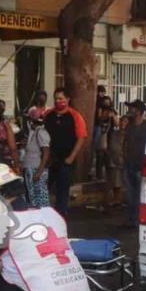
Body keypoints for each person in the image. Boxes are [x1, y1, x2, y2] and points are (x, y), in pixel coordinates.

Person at [43, 87, 87, 218]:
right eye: (56, 99)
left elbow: (81, 137)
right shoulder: (48, 114)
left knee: (63, 189)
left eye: (61, 98)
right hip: (49, 159)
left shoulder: (75, 116)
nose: (58, 101)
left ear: (68, 99)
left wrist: (72, 157)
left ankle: (61, 215)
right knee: (46, 187)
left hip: (66, 158)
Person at [123, 99, 146, 228]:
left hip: (141, 165)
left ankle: (138, 220)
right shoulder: (129, 126)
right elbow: (125, 143)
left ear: (139, 111)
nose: (130, 110)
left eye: (132, 108)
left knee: (140, 195)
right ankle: (131, 219)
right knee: (130, 194)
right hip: (129, 164)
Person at [22, 117, 50, 208]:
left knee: (40, 198)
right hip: (30, 169)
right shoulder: (33, 133)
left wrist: (39, 172)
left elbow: (46, 153)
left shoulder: (41, 133)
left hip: (36, 169)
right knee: (32, 197)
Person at [91, 96, 118, 183]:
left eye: (108, 102)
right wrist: (105, 115)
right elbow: (99, 119)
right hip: (101, 135)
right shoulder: (100, 109)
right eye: (105, 102)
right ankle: (99, 176)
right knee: (99, 155)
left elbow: (117, 123)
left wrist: (112, 115)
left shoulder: (113, 111)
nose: (106, 104)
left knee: (108, 156)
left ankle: (109, 176)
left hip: (109, 135)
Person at [107, 115, 128, 207]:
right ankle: (116, 200)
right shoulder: (114, 133)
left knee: (123, 182)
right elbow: (110, 146)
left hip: (124, 161)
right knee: (115, 181)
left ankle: (123, 200)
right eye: (121, 121)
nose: (122, 123)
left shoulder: (129, 134)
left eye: (125, 121)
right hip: (114, 160)